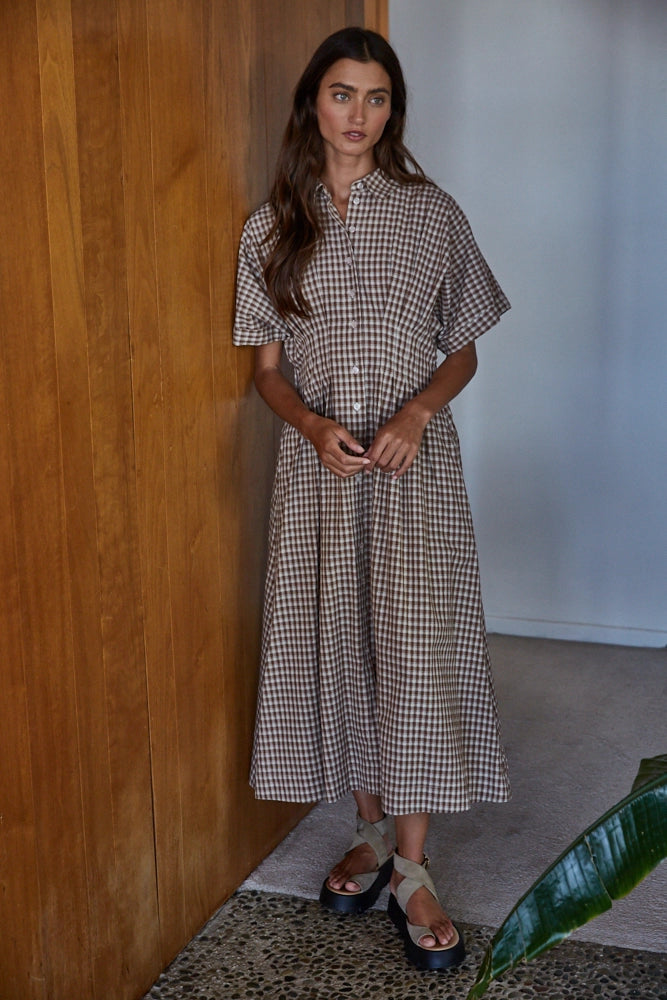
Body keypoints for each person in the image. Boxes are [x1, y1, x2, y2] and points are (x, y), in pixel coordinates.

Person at [233, 26, 511, 972]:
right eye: (342, 93)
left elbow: (463, 347)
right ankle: (370, 830)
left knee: (414, 652)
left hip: (408, 472)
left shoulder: (431, 214)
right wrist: (313, 427)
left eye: (377, 97)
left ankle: (412, 868)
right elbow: (266, 373)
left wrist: (419, 412)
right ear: (312, 102)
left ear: (394, 111)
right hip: (321, 476)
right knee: (344, 645)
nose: (358, 114)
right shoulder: (270, 228)